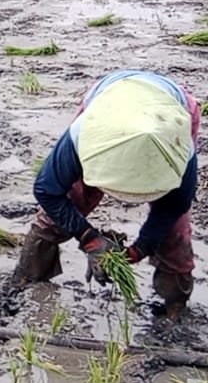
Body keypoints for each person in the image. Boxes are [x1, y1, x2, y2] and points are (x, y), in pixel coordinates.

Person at [13, 70, 198, 319]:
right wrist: (89, 238)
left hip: (169, 118)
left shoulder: (181, 148)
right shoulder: (82, 134)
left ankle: (175, 308)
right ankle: (26, 280)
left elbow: (174, 207)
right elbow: (47, 190)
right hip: (109, 105)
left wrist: (140, 249)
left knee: (174, 230)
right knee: (74, 199)